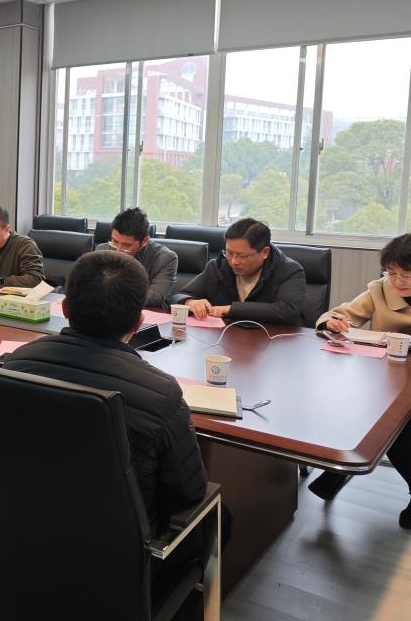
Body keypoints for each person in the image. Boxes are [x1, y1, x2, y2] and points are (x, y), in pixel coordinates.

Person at [5, 251, 213, 612]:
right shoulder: (161, 393)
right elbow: (190, 492)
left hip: (20, 537)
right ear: (139, 321)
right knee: (217, 517)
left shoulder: (15, 362)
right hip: (117, 561)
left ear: (64, 309)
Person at [308, 234, 411, 519]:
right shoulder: (380, 290)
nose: (397, 281)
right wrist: (333, 322)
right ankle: (341, 467)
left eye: (406, 274)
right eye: (391, 273)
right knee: (356, 409)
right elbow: (337, 315)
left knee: (398, 429)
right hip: (387, 377)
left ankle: (339, 472)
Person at [170, 218, 305, 325]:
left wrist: (230, 309)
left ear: (264, 252)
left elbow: (287, 311)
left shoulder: (289, 271)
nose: (234, 261)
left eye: (242, 256)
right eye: (229, 253)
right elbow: (177, 297)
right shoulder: (218, 266)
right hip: (224, 339)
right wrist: (190, 302)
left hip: (272, 342)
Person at [96, 207, 177, 308]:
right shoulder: (102, 250)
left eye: (126, 245)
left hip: (144, 312)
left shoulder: (165, 258)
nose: (118, 250)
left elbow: (154, 297)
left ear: (144, 241)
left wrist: (108, 294)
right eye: (115, 241)